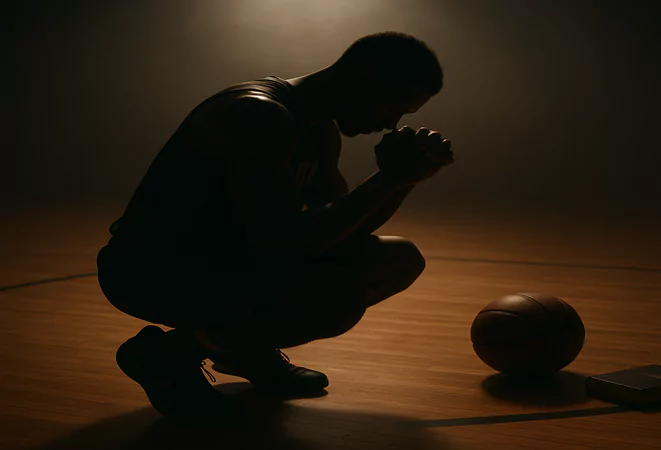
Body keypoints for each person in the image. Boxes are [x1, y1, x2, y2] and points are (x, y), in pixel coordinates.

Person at [96, 31, 453, 420]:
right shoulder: (256, 114)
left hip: (224, 258)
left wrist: (404, 179)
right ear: (364, 79)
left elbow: (344, 227)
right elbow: (289, 245)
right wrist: (388, 180)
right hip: (151, 269)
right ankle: (165, 356)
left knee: (398, 259)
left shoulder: (319, 128)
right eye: (393, 107)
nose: (391, 123)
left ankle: (241, 347)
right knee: (329, 296)